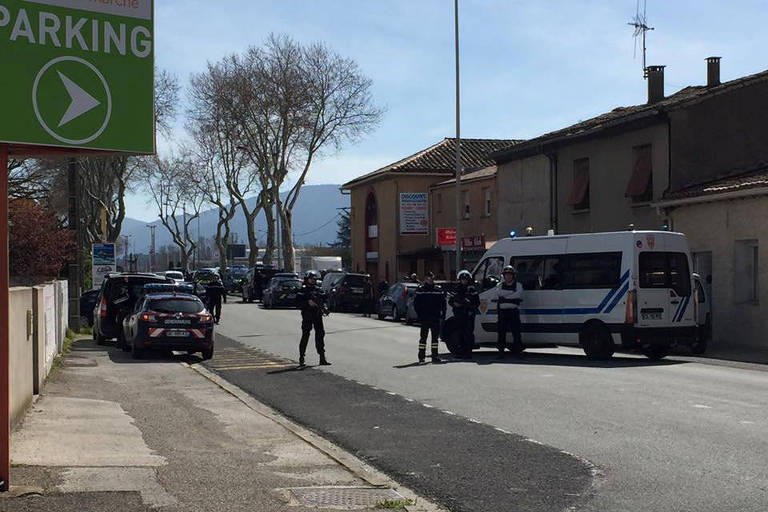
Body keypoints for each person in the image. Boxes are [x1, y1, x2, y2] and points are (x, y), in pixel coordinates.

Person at [296, 270, 331, 367]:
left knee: (320, 335)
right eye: (311, 279)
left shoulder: (318, 289)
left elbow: (324, 299)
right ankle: (302, 357)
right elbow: (297, 303)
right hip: (307, 315)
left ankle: (322, 358)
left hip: (317, 315)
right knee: (305, 335)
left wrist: (325, 307)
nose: (313, 280)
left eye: (314, 279)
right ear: (307, 279)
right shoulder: (303, 290)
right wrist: (307, 303)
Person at [413, 271, 446, 363]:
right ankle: (421, 357)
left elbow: (443, 303)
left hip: (435, 317)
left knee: (435, 339)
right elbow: (416, 304)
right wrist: (420, 315)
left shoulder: (438, 289)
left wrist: (443, 314)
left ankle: (434, 356)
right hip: (425, 317)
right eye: (429, 278)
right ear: (425, 279)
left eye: (432, 278)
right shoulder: (421, 290)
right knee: (423, 338)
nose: (431, 280)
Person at [450, 270, 480, 359]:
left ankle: (468, 353)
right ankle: (460, 352)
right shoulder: (456, 289)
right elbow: (450, 301)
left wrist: (471, 308)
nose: (464, 281)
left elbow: (477, 302)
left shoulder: (472, 289)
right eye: (462, 279)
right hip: (459, 315)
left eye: (466, 279)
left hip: (469, 315)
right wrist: (455, 304)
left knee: (468, 334)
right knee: (460, 333)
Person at [496, 265, 523, 357]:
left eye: (510, 274)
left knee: (516, 332)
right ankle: (501, 352)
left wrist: (505, 297)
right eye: (506, 274)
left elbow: (518, 295)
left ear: (513, 275)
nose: (508, 276)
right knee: (501, 333)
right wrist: (512, 293)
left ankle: (518, 352)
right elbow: (499, 293)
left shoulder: (518, 285)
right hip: (503, 313)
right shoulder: (500, 285)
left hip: (513, 312)